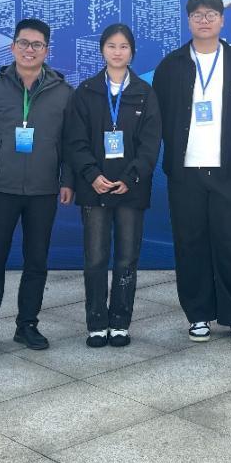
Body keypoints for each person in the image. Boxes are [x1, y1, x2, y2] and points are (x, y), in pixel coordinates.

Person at [153, 0, 231, 344]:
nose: (204, 20)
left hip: (228, 171)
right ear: (188, 21)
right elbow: (158, 115)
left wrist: (229, 144)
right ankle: (198, 314)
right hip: (185, 172)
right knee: (190, 244)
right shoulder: (171, 65)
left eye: (211, 14)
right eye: (197, 15)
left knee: (230, 243)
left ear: (222, 20)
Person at [0, 18, 74, 356]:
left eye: (37, 45)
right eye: (24, 43)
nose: (30, 50)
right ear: (13, 47)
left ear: (47, 51)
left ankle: (28, 325)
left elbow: (70, 143)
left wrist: (67, 180)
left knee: (36, 260)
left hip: (44, 190)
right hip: (2, 187)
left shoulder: (63, 92)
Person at [64, 24, 162, 348]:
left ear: (132, 52)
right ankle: (96, 323)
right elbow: (75, 141)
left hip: (131, 189)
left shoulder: (145, 93)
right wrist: (92, 175)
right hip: (94, 189)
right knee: (95, 259)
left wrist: (131, 178)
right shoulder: (86, 91)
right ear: (102, 50)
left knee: (126, 259)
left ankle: (120, 322)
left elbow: (151, 144)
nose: (117, 52)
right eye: (111, 46)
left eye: (123, 46)